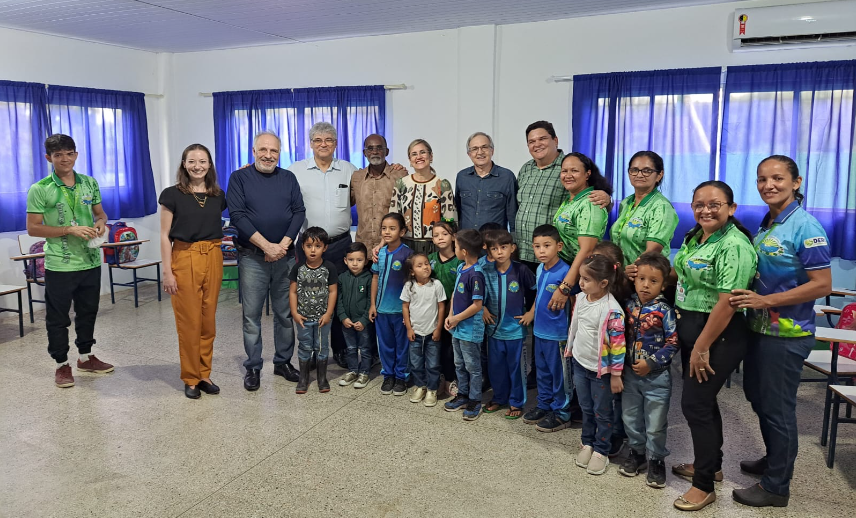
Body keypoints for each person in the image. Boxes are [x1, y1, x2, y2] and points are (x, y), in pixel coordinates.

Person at [730, 155, 832, 508]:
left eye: (776, 178)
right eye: (761, 179)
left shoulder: (806, 227)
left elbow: (821, 285)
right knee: (759, 399)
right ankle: (775, 459)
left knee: (778, 409)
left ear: (796, 182)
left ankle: (776, 487)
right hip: (760, 330)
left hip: (787, 335)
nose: (768, 185)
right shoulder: (769, 223)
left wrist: (764, 300)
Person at [671, 181, 757, 512]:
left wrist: (701, 346)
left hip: (718, 336)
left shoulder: (734, 245)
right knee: (703, 403)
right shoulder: (696, 236)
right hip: (694, 331)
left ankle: (704, 485)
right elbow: (686, 280)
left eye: (714, 204)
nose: (705, 209)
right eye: (699, 204)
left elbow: (727, 303)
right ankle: (712, 465)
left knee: (694, 404)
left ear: (731, 208)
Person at [26, 134, 113, 388]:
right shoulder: (40, 188)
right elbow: (33, 228)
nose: (65, 159)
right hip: (60, 264)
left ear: (76, 154)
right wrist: (69, 230)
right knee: (58, 317)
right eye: (58, 155)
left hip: (90, 260)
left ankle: (85, 357)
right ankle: (61, 364)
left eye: (69, 153)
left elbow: (101, 214)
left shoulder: (89, 183)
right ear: (48, 158)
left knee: (88, 312)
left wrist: (100, 224)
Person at [227, 131, 306, 391]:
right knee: (252, 315)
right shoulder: (239, 178)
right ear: (253, 151)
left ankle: (282, 362)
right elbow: (237, 216)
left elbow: (298, 212)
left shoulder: (288, 178)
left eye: (273, 151)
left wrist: (283, 245)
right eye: (263, 150)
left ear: (279, 153)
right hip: (253, 258)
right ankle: (253, 366)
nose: (268, 155)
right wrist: (266, 246)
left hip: (285, 257)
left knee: (285, 313)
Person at [159, 143, 227, 399]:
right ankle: (190, 377)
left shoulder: (218, 195)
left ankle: (204, 373)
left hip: (213, 255)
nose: (197, 166)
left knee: (208, 320)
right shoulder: (171, 195)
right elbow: (165, 236)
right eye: (192, 161)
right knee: (189, 321)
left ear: (209, 165)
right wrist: (167, 271)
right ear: (184, 165)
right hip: (184, 257)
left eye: (202, 161)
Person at [290, 121, 356, 369]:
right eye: (318, 140)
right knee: (308, 299)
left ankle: (339, 349)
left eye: (328, 140)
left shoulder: (349, 170)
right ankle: (310, 351)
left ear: (336, 143)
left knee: (338, 298)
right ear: (311, 144)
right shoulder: (296, 170)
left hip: (340, 245)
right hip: (308, 247)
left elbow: (371, 186)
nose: (323, 144)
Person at [515, 121, 610, 269]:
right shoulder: (526, 169)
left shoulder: (568, 167)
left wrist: (607, 198)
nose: (537, 144)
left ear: (555, 140)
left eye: (542, 139)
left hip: (555, 258)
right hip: (523, 253)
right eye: (531, 141)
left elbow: (590, 200)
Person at [619, 252, 678, 488]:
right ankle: (636, 453)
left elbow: (673, 342)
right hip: (629, 375)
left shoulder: (665, 310)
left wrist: (651, 362)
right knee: (630, 417)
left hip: (657, 378)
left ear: (663, 284)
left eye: (653, 281)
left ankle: (656, 460)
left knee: (655, 423)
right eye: (641, 278)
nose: (646, 285)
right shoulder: (627, 305)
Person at [566, 255, 626, 475]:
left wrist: (617, 374)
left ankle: (602, 449)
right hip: (581, 364)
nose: (581, 283)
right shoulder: (581, 298)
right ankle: (587, 442)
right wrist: (570, 349)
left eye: (586, 279)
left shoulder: (612, 309)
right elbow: (576, 326)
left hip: (601, 371)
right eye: (581, 278)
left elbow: (618, 346)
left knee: (602, 411)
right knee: (586, 407)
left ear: (603, 283)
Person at [518, 225, 573, 432]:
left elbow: (575, 303)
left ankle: (562, 412)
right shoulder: (540, 269)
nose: (541, 251)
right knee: (542, 372)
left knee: (559, 375)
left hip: (557, 334)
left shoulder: (567, 273)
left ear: (559, 246)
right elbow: (539, 296)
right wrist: (531, 313)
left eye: (546, 246)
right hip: (539, 331)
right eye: (537, 246)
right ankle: (544, 405)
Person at [482, 229, 536, 419]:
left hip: (515, 331)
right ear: (489, 251)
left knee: (516, 368)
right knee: (496, 367)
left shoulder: (521, 270)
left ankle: (516, 402)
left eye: (503, 247)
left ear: (512, 248)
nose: (499, 252)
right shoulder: (486, 270)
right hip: (494, 330)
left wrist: (531, 312)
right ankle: (499, 397)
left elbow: (539, 291)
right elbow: (476, 287)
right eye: (494, 249)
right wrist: (482, 308)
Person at [549, 152, 610, 306]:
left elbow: (587, 250)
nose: (568, 175)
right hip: (565, 270)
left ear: (587, 174)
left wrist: (565, 287)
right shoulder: (572, 199)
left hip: (580, 276)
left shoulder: (591, 203)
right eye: (564, 171)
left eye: (574, 171)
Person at [612, 151, 679, 277]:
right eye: (634, 170)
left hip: (647, 278)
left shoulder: (662, 207)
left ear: (659, 175)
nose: (639, 175)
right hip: (622, 276)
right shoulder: (626, 203)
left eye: (647, 171)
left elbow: (652, 251)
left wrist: (632, 270)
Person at [443, 229, 486, 421]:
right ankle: (463, 393)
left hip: (470, 330)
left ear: (465, 251)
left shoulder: (476, 274)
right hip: (457, 327)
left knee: (472, 366)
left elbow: (477, 305)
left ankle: (475, 400)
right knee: (459, 363)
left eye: (456, 246)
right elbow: (455, 294)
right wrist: (451, 315)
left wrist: (458, 318)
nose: (454, 249)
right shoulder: (462, 268)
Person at [289, 227, 338, 394]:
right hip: (303, 318)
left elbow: (333, 291)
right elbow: (293, 291)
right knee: (304, 346)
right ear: (302, 246)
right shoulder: (298, 269)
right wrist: (295, 313)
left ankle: (322, 378)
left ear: (325, 248)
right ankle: (303, 379)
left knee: (322, 346)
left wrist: (328, 313)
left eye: (317, 246)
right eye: (309, 245)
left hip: (322, 319)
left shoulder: (329, 268)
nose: (313, 250)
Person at [370, 213, 413, 396]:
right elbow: (375, 278)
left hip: (400, 311)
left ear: (402, 231)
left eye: (392, 228)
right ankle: (388, 375)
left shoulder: (407, 253)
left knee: (402, 345)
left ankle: (401, 377)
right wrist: (373, 305)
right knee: (385, 345)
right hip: (381, 309)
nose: (387, 232)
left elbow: (412, 284)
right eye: (384, 228)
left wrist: (410, 310)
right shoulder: (379, 253)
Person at [389, 139, 457, 255]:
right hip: (406, 245)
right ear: (410, 160)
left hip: (435, 246)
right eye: (414, 154)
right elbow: (394, 218)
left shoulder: (442, 184)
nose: (419, 157)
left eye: (423, 152)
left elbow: (450, 220)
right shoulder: (401, 184)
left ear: (431, 156)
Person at [401, 253, 447, 407]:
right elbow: (405, 307)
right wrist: (409, 328)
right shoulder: (409, 286)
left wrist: (438, 328)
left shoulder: (436, 285)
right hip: (415, 332)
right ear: (412, 271)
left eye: (426, 263)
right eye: (419, 265)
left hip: (431, 332)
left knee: (433, 363)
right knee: (415, 363)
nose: (425, 267)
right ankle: (420, 386)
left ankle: (432, 389)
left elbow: (441, 307)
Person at [350, 134, 407, 253]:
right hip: (363, 247)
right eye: (370, 148)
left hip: (391, 247)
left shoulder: (400, 176)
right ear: (364, 153)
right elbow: (347, 202)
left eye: (379, 148)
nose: (375, 152)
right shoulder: (356, 177)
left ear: (386, 151)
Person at [454, 132, 518, 232]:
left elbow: (513, 213)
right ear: (469, 154)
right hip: (466, 243)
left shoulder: (506, 176)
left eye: (484, 147)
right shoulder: (462, 177)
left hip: (494, 244)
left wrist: (514, 241)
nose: (480, 152)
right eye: (474, 149)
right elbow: (456, 211)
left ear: (492, 151)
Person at [427, 221, 461, 397]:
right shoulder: (430, 260)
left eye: (444, 234)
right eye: (436, 235)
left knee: (450, 349)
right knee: (435, 348)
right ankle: (438, 379)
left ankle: (451, 380)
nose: (440, 238)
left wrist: (452, 313)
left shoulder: (460, 260)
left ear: (454, 237)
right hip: (432, 314)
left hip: (453, 315)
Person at [337, 242, 374, 389]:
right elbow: (338, 300)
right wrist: (343, 317)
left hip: (363, 323)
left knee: (365, 348)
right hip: (347, 322)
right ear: (345, 260)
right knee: (351, 348)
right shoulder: (342, 278)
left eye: (359, 260)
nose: (355, 263)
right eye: (351, 260)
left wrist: (364, 320)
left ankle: (364, 372)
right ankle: (352, 370)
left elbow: (371, 301)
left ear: (365, 261)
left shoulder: (369, 278)